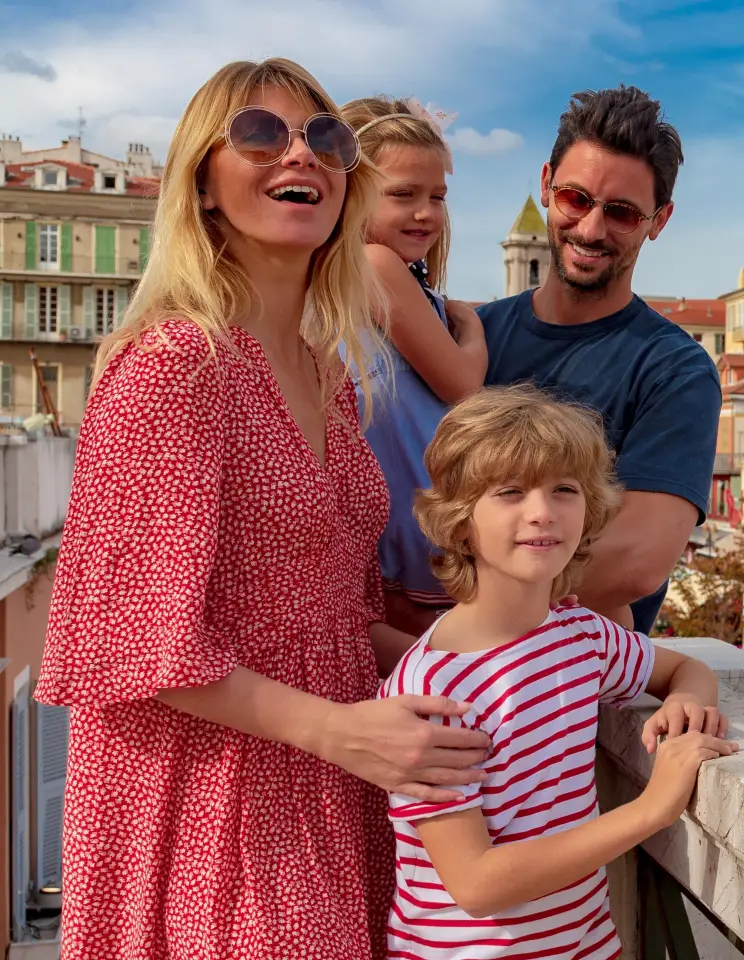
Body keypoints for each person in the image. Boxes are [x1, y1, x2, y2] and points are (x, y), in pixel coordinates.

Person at [34, 58, 489, 958]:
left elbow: (337, 613)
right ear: (202, 185)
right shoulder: (171, 366)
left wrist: (514, 661)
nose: (303, 153)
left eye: (326, 137)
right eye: (258, 133)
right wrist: (344, 732)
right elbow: (136, 642)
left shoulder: (328, 373)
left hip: (332, 781)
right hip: (211, 801)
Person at [383, 386, 735, 957]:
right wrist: (652, 809)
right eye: (510, 492)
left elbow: (686, 669)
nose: (542, 512)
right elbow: (474, 884)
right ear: (460, 521)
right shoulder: (433, 687)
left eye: (564, 490)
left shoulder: (578, 636)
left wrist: (683, 706)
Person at [479, 86, 719, 633]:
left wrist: (444, 598)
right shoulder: (470, 337)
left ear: (659, 220)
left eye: (622, 213)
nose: (590, 229)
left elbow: (635, 560)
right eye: (575, 199)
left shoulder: (675, 371)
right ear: (546, 185)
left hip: (566, 701)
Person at [338, 94, 490, 636]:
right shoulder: (377, 263)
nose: (426, 212)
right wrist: (471, 329)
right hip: (411, 510)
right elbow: (463, 383)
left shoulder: (373, 272)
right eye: (402, 195)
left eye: (438, 197)